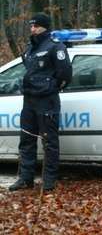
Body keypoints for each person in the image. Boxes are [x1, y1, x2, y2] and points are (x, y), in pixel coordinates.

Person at [9, 13, 72, 191]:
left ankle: (49, 181)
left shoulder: (55, 47)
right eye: (31, 26)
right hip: (29, 101)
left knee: (49, 142)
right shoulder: (30, 48)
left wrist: (52, 87)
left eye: (36, 26)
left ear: (44, 26)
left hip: (47, 101)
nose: (32, 28)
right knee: (26, 140)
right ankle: (25, 178)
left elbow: (65, 74)